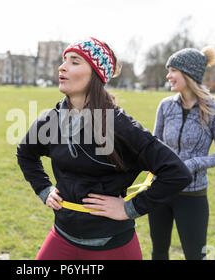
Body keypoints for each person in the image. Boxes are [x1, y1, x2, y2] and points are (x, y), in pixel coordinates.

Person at [16, 37, 192, 260]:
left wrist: (130, 208)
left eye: (75, 61)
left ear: (95, 75)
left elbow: (176, 173)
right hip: (61, 236)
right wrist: (44, 189)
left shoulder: (120, 126)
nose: (62, 66)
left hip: (113, 246)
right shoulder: (51, 121)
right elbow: (25, 153)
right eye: (64, 60)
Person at [149, 46, 215, 260]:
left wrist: (193, 163)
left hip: (193, 195)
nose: (168, 76)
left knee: (196, 255)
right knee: (158, 252)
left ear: (188, 74)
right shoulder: (165, 106)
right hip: (160, 191)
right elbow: (154, 144)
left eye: (173, 70)